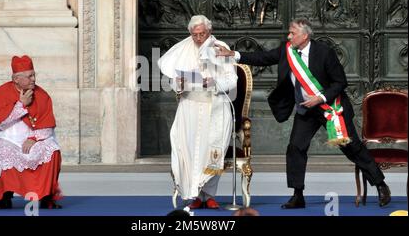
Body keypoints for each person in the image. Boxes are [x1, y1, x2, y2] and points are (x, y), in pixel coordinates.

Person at [215, 18, 391, 209]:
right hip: (306, 109)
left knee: (352, 147)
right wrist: (232, 54)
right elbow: (263, 58)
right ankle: (297, 195)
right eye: (289, 33)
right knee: (295, 148)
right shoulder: (287, 49)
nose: (288, 36)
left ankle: (381, 185)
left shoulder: (324, 53)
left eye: (292, 33)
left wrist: (320, 98)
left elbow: (340, 82)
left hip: (331, 108)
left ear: (305, 36)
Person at [0, 55, 62, 209]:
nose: (33, 79)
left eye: (34, 75)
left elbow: (47, 125)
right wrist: (21, 105)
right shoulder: (1, 93)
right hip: (7, 135)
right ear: (16, 79)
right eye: (29, 76)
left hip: (33, 137)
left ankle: (45, 196)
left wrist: (34, 138)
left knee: (52, 150)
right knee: (2, 152)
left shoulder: (42, 95)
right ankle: (4, 196)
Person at [158, 15, 238, 209]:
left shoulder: (219, 48)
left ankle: (209, 195)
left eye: (202, 34)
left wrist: (213, 83)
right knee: (187, 149)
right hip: (189, 107)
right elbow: (172, 80)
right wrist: (179, 84)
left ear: (209, 31)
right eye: (195, 34)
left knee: (211, 151)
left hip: (215, 106)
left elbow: (232, 80)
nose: (199, 38)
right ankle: (193, 195)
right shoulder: (182, 49)